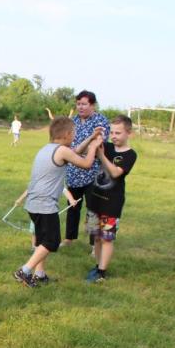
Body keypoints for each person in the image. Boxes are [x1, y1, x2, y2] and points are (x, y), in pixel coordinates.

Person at [13, 117, 102, 287]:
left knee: (41, 240)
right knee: (51, 241)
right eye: (73, 133)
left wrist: (91, 137)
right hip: (45, 204)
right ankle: (24, 271)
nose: (74, 136)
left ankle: (39, 274)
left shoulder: (48, 149)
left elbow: (75, 152)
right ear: (67, 134)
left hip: (33, 203)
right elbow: (86, 163)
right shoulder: (62, 151)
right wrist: (93, 147)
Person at [84, 115, 138, 283]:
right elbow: (83, 151)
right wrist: (93, 138)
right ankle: (97, 266)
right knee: (96, 237)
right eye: (112, 132)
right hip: (95, 200)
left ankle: (102, 272)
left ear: (129, 133)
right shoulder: (106, 146)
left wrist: (101, 155)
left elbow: (115, 173)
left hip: (111, 203)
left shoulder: (130, 155)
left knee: (106, 238)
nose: (113, 136)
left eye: (118, 133)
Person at [62, 90, 110, 246]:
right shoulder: (73, 121)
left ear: (93, 105)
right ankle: (69, 238)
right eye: (78, 104)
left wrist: (77, 151)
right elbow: (66, 144)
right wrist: (76, 151)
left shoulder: (101, 121)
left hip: (93, 172)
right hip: (73, 171)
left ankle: (94, 243)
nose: (80, 107)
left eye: (84, 104)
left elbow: (98, 145)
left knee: (93, 209)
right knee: (72, 205)